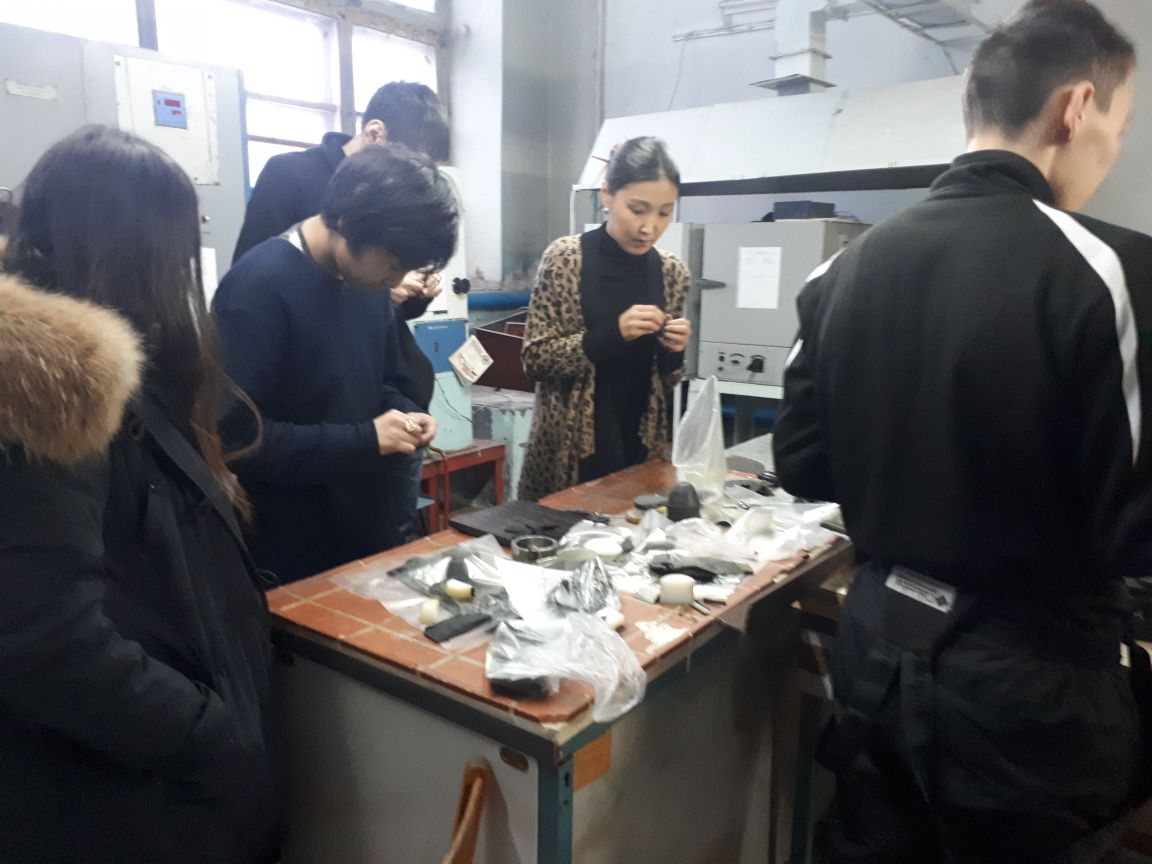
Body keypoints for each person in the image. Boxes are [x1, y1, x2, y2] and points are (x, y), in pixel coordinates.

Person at [773, 2, 1151, 860]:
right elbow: (1139, 527)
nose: (1112, 151)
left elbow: (802, 464)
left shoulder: (841, 270)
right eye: (1120, 128)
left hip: (877, 650)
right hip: (1029, 694)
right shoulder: (1112, 273)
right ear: (1077, 108)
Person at [0, 126, 282, 862]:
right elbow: (45, 641)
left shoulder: (116, 365)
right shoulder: (50, 388)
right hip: (119, 795)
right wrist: (209, 737)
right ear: (136, 252)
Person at [214, 144, 459, 584]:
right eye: (392, 264)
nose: (396, 280)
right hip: (292, 552)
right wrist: (367, 439)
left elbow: (385, 380)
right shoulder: (257, 287)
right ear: (346, 223)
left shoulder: (367, 283)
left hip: (367, 532)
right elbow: (236, 439)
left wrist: (407, 415)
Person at [519, 137, 693, 501]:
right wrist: (613, 333)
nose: (649, 227)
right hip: (571, 453)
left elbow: (667, 380)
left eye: (664, 213)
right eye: (637, 209)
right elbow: (536, 359)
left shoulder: (672, 272)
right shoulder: (567, 259)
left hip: (641, 450)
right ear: (607, 195)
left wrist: (674, 351)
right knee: (561, 532)